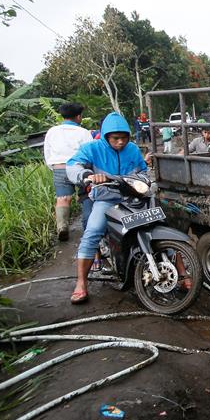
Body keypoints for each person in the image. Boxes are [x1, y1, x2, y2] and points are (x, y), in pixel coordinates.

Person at [66, 113, 148, 304]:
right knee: (93, 231)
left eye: (123, 138)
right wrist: (88, 175)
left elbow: (144, 170)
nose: (120, 142)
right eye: (115, 138)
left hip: (133, 197)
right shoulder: (92, 148)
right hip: (106, 198)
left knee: (156, 222)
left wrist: (144, 179)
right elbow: (72, 165)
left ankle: (182, 274)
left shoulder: (133, 149)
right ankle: (81, 283)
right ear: (106, 136)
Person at [43, 103, 94, 241]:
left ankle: (62, 227)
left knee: (63, 199)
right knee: (87, 196)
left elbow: (47, 152)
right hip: (80, 168)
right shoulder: (84, 132)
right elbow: (90, 153)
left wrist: (54, 167)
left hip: (59, 167)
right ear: (78, 117)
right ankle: (89, 225)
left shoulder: (52, 131)